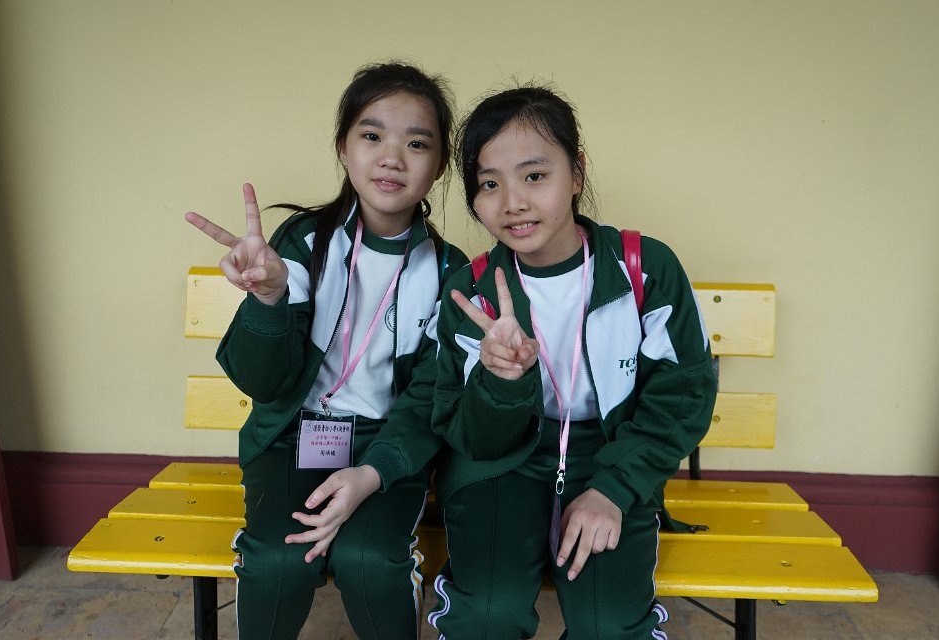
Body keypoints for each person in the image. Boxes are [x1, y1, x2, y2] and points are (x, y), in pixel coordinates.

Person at [184, 61, 467, 640]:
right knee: (278, 560)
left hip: (385, 445)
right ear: (343, 147)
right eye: (372, 135)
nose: (392, 157)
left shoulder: (448, 271)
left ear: (439, 166)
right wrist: (268, 299)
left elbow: (432, 398)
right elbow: (265, 383)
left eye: (417, 144)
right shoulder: (302, 242)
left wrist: (375, 472)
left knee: (371, 561)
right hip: (291, 439)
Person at [427, 85, 717, 638]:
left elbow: (683, 395)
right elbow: (468, 436)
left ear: (577, 173)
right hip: (500, 466)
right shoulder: (473, 293)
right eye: (489, 184)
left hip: (612, 453)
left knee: (609, 628)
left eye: (535, 175)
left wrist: (614, 488)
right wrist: (500, 382)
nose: (512, 202)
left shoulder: (644, 269)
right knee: (486, 616)